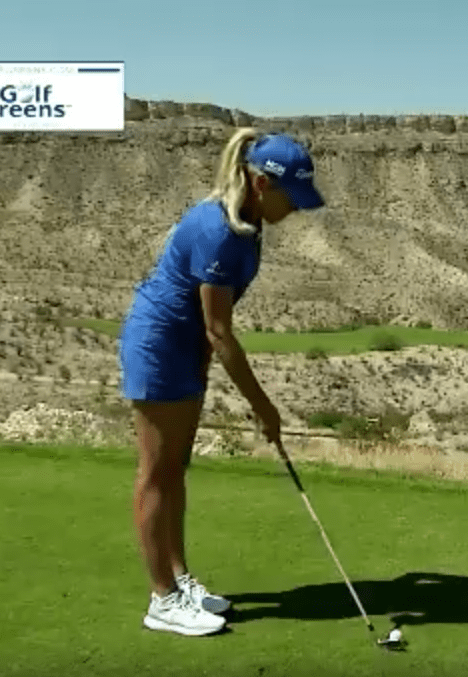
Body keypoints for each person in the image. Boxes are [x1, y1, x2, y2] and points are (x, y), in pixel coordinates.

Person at [118, 129, 326, 636]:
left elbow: (211, 332)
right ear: (259, 183)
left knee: (176, 470)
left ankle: (181, 578)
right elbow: (220, 330)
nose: (294, 210)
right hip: (160, 344)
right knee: (156, 472)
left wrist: (206, 363)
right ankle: (161, 598)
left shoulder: (247, 222)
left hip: (187, 347)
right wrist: (264, 407)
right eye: (289, 197)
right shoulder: (220, 232)